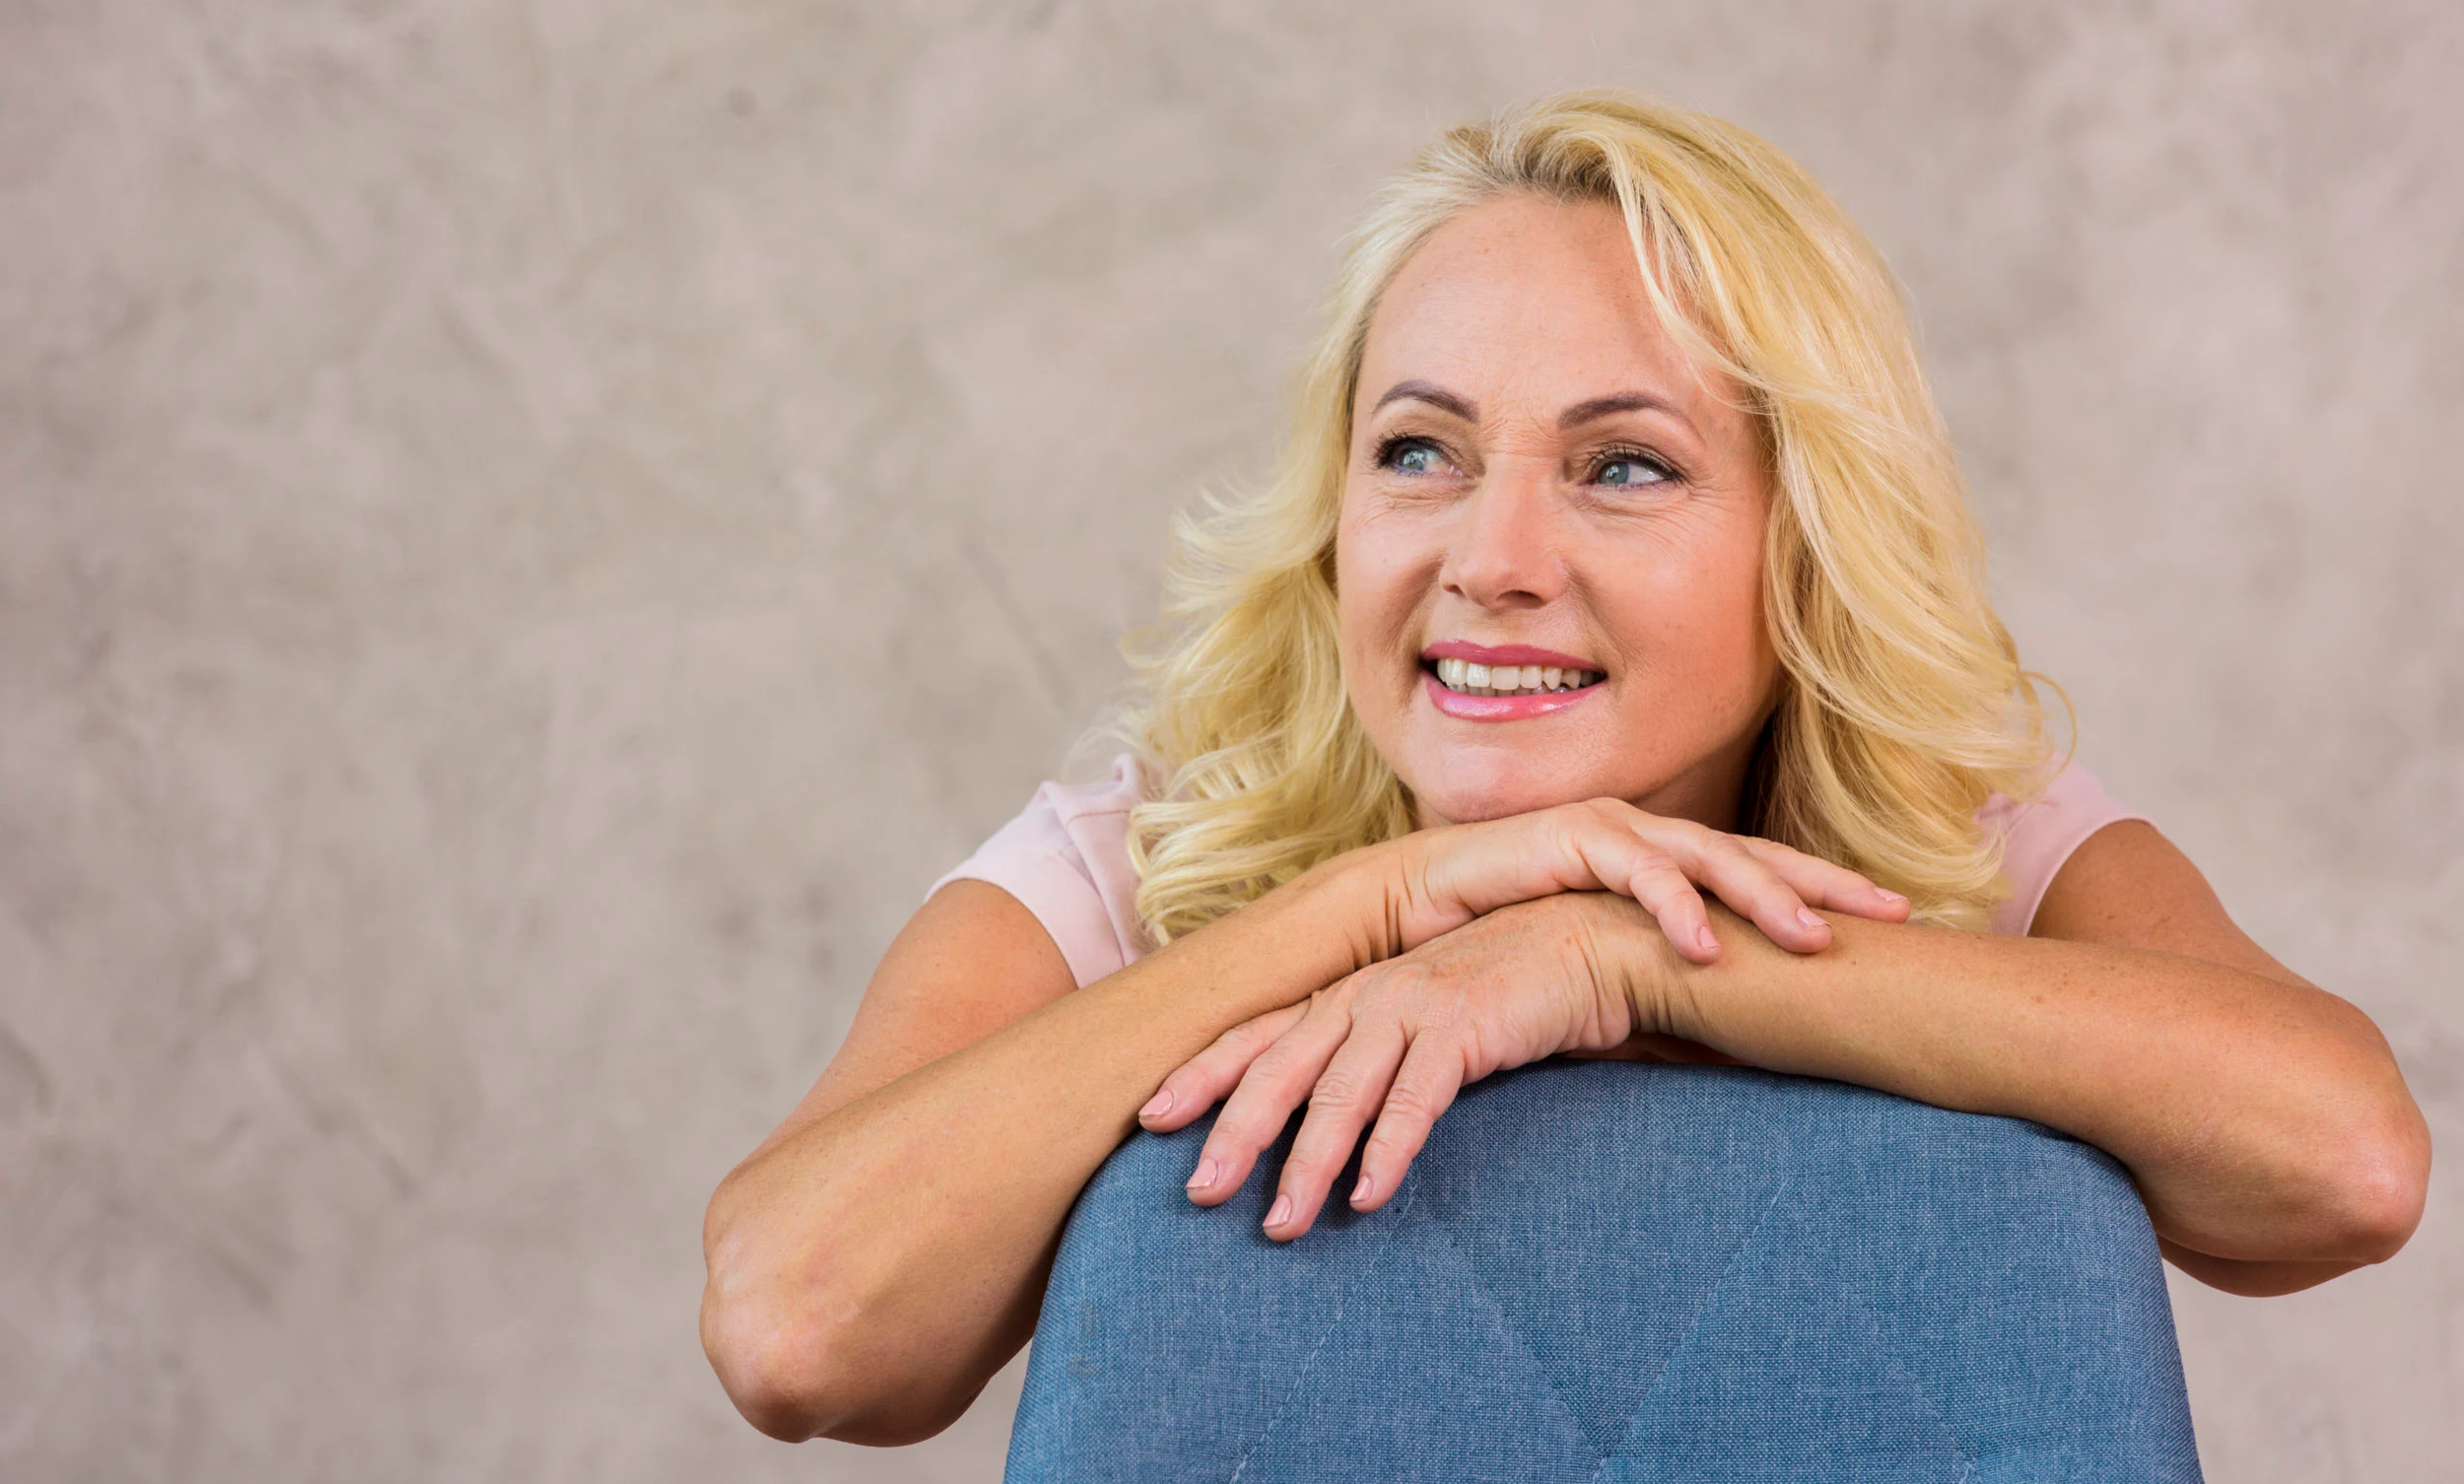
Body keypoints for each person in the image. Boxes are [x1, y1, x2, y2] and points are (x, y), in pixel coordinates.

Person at [698, 93, 2430, 1449]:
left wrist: (1622, 955)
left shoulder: (1975, 837)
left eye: (1624, 467)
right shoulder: (1120, 865)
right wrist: (1374, 907)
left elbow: (2343, 1164)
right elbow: (801, 1330)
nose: (1492, 559)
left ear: (1804, 543)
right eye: (1419, 452)